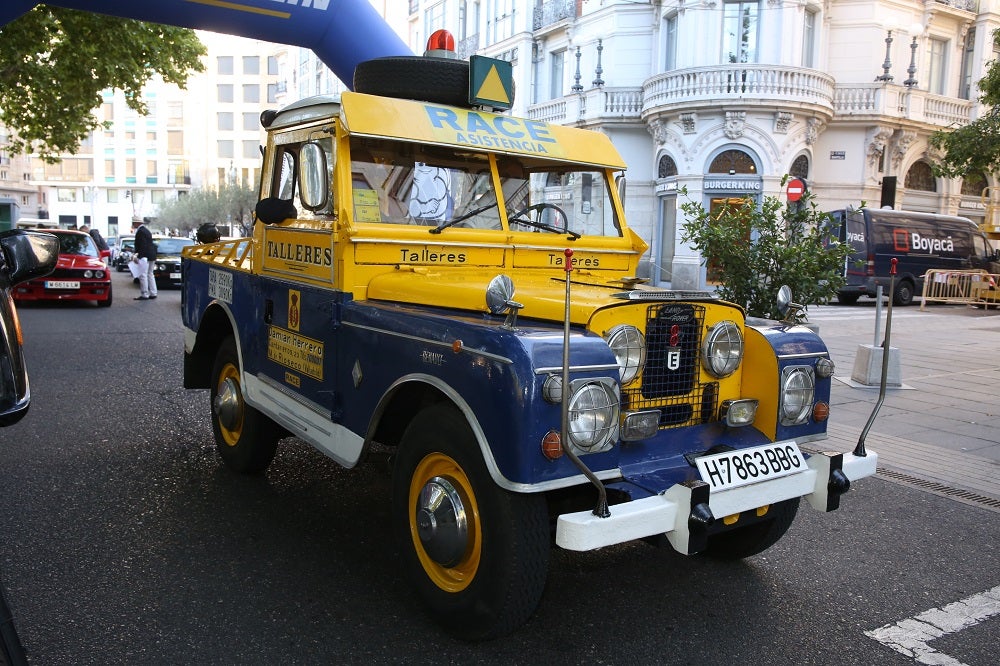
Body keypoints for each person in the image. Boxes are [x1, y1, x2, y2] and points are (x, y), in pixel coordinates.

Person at [131, 217, 158, 300]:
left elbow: (142, 245)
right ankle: (153, 292)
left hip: (144, 256)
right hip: (151, 255)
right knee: (150, 274)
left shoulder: (140, 232)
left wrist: (139, 256)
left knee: (143, 275)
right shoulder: (146, 231)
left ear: (137, 223)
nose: (133, 224)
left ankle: (144, 294)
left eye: (134, 222)